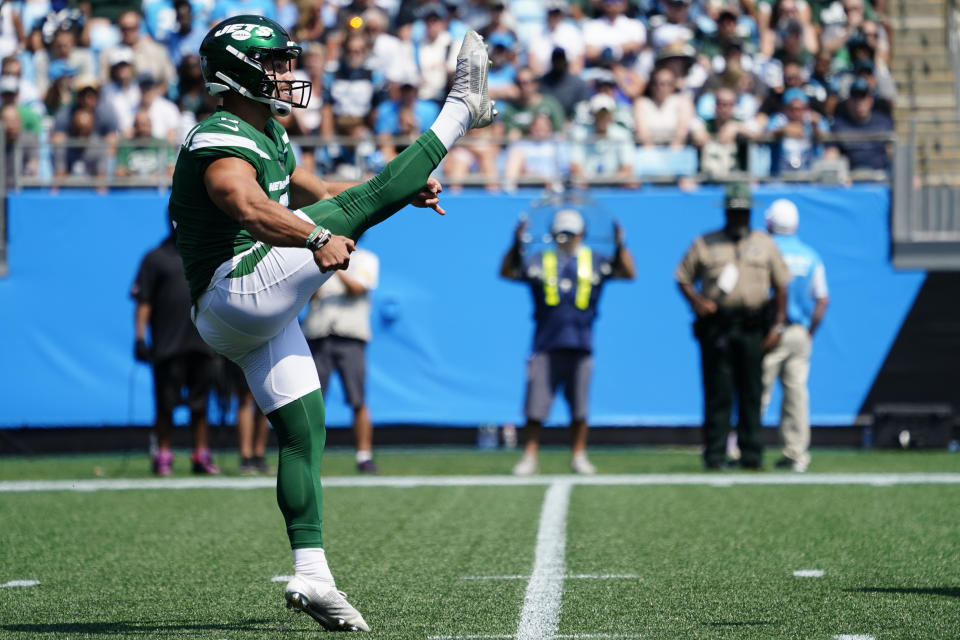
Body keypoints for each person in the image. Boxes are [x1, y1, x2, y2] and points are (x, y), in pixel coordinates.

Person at [168, 15, 494, 631]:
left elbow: (337, 191)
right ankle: (459, 110)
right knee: (354, 211)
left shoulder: (271, 134)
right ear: (237, 73)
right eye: (272, 65)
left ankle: (313, 573)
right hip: (234, 287)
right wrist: (318, 232)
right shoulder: (218, 136)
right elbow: (250, 206)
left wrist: (398, 192)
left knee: (303, 430)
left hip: (246, 312)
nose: (286, 75)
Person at [501, 208, 636, 475]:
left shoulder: (595, 260)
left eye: (571, 233)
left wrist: (621, 244)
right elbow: (508, 271)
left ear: (582, 234)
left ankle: (578, 455)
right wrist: (516, 243)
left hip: (581, 342)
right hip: (545, 343)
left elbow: (628, 273)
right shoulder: (540, 260)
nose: (566, 238)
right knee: (535, 406)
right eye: (562, 233)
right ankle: (530, 456)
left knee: (580, 408)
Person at [675, 182, 791, 470]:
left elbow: (782, 286)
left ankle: (751, 454)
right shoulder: (706, 243)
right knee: (718, 391)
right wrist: (698, 302)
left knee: (752, 392)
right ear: (726, 214)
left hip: (753, 325)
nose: (738, 219)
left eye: (743, 213)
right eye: (733, 213)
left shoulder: (764, 243)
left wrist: (777, 326)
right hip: (719, 327)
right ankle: (715, 453)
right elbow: (683, 277)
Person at [131, 230, 220, 477]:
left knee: (200, 405)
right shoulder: (155, 258)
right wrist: (139, 338)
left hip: (202, 343)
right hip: (167, 345)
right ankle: (163, 454)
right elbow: (144, 300)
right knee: (165, 405)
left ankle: (201, 454)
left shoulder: (204, 253)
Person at [761, 199, 828, 473]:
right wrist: (809, 332)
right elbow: (822, 299)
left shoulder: (766, 252)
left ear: (769, 223)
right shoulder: (810, 255)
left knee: (758, 392)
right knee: (797, 395)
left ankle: (743, 447)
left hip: (770, 331)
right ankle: (796, 453)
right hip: (799, 331)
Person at [302, 247, 380, 474]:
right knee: (312, 401)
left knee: (358, 399)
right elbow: (307, 295)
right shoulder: (315, 259)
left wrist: (335, 266)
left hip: (350, 337)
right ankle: (307, 456)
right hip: (318, 335)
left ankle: (364, 456)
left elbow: (357, 289)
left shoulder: (366, 259)